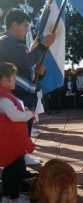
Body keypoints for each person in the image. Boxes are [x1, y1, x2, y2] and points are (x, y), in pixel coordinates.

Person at [0, 9, 55, 165]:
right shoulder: (5, 42)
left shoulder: (17, 44)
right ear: (14, 25)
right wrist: (43, 46)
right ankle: (16, 172)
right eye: (25, 26)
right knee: (15, 133)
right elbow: (25, 61)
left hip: (22, 94)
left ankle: (21, 161)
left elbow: (26, 69)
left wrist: (40, 73)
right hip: (14, 95)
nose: (26, 30)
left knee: (22, 131)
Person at [0, 62, 35, 202]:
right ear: (3, 79)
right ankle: (10, 197)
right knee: (12, 170)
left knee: (18, 166)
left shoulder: (7, 96)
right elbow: (14, 116)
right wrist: (29, 114)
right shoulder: (3, 98)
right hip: (8, 142)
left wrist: (25, 110)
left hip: (12, 141)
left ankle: (15, 192)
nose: (16, 81)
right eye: (13, 78)